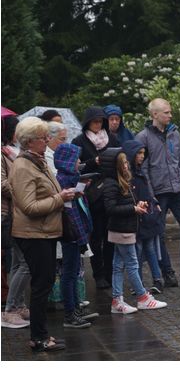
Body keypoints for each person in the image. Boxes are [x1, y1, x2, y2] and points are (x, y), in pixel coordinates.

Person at [9, 117, 76, 352]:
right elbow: (29, 206)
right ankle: (38, 337)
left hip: (45, 232)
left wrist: (64, 193)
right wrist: (60, 198)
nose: (47, 140)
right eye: (42, 137)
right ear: (29, 141)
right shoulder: (23, 166)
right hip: (33, 234)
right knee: (40, 285)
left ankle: (41, 334)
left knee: (44, 283)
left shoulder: (38, 162)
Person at [136, 98, 180, 286]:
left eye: (170, 112)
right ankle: (167, 272)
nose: (170, 115)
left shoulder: (174, 134)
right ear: (155, 114)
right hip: (158, 194)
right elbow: (142, 170)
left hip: (178, 190)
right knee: (158, 233)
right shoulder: (143, 137)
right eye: (166, 112)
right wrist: (150, 196)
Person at [101, 148, 167, 314]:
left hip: (125, 228)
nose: (126, 165)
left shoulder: (123, 180)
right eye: (123, 162)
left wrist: (138, 206)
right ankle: (142, 298)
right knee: (131, 263)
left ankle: (117, 301)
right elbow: (110, 208)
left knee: (118, 265)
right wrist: (133, 209)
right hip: (122, 229)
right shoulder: (112, 183)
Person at [72, 107, 120, 289]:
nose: (98, 125)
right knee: (96, 236)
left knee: (110, 236)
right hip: (93, 195)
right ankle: (98, 274)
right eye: (95, 121)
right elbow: (75, 166)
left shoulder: (112, 138)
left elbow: (120, 160)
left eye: (101, 121)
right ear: (88, 122)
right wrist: (94, 162)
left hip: (111, 192)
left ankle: (109, 272)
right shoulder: (79, 141)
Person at [53, 143, 97, 329]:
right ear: (68, 161)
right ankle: (70, 314)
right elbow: (69, 213)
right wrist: (80, 237)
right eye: (76, 158)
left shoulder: (71, 178)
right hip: (71, 234)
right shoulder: (62, 180)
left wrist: (81, 189)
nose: (79, 161)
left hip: (76, 233)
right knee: (69, 274)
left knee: (73, 273)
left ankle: (76, 309)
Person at [123, 139, 165, 293]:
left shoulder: (141, 172)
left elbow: (147, 191)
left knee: (150, 248)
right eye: (138, 153)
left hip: (148, 215)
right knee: (138, 250)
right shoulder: (129, 175)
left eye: (143, 153)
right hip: (138, 216)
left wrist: (153, 201)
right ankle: (138, 282)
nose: (141, 156)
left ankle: (157, 279)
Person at [1, 115, 30, 329]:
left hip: (17, 211)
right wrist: (22, 189)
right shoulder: (3, 154)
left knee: (18, 262)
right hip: (7, 212)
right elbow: (2, 184)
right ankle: (10, 308)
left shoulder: (13, 152)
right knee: (23, 262)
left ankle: (17, 305)